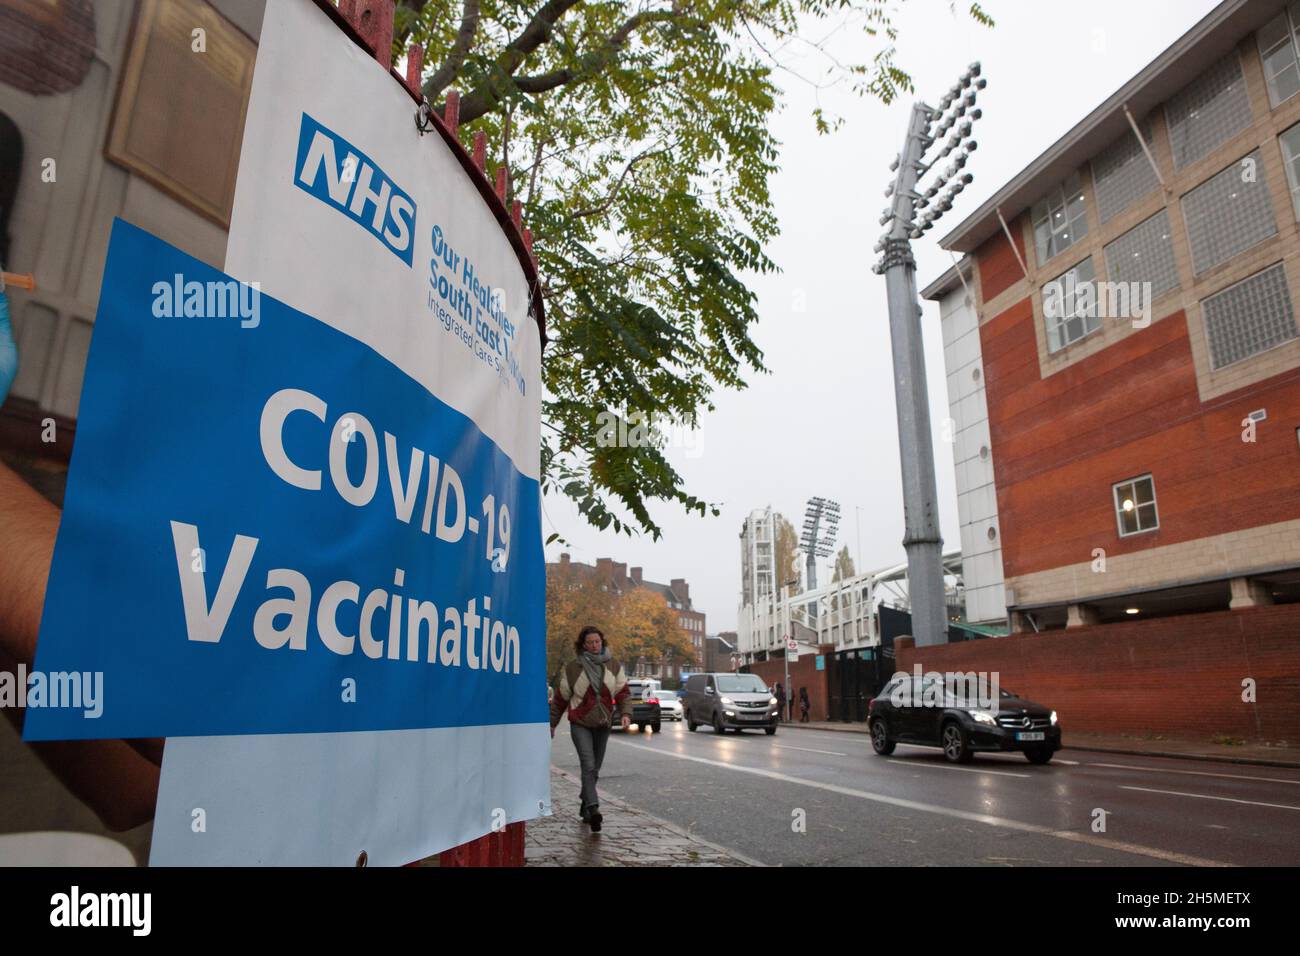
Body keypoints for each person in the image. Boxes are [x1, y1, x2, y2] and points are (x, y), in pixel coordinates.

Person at [549, 626, 632, 833]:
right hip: (580, 723)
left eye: (597, 642)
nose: (595, 646)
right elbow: (561, 698)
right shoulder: (573, 667)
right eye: (590, 643)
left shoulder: (612, 665)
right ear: (583, 645)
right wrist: (552, 723)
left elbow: (623, 692)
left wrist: (625, 713)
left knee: (594, 768)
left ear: (602, 642)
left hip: (603, 723)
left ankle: (585, 805)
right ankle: (594, 809)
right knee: (587, 764)